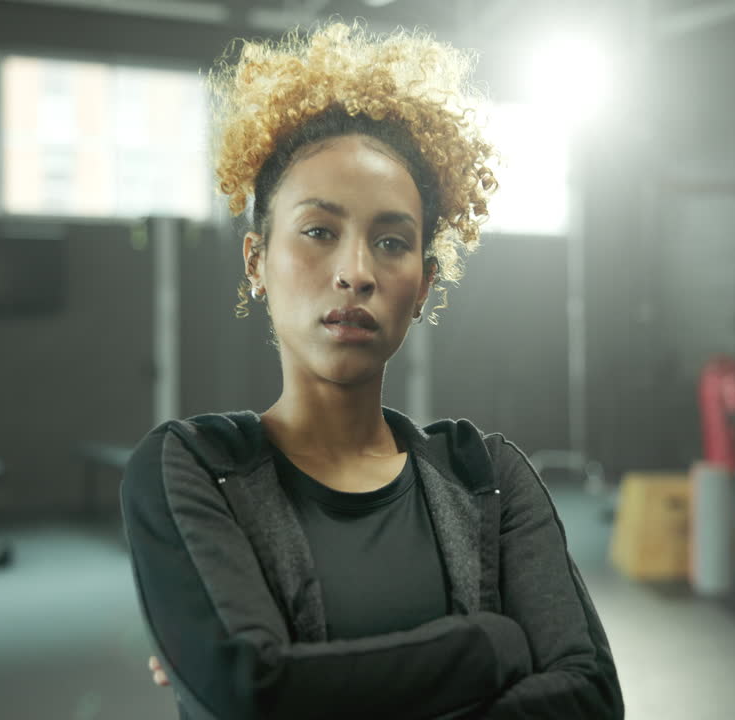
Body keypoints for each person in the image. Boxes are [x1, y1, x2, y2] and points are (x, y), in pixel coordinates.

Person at [121, 21, 624, 720]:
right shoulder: (195, 469)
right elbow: (252, 691)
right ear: (255, 263)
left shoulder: (491, 478)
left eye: (391, 242)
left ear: (421, 285)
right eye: (319, 231)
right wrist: (490, 647)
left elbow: (590, 699)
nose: (355, 272)